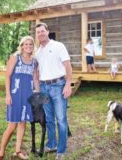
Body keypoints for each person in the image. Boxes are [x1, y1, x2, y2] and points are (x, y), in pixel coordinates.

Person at [0, 36, 39, 160]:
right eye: (26, 44)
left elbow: (35, 78)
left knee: (22, 123)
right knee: (12, 125)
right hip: (15, 95)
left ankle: (18, 150)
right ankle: (1, 153)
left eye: (31, 44)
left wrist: (38, 94)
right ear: (22, 45)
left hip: (28, 95)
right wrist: (8, 95)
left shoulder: (34, 61)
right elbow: (7, 76)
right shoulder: (15, 58)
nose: (28, 46)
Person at [34, 22, 72, 160]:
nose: (40, 34)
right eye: (38, 32)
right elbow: (36, 74)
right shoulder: (37, 52)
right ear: (36, 35)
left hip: (58, 85)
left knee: (61, 119)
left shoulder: (58, 46)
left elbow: (67, 65)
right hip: (44, 87)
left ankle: (61, 150)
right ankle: (52, 144)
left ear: (47, 31)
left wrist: (68, 84)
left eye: (42, 31)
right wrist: (38, 92)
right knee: (49, 119)